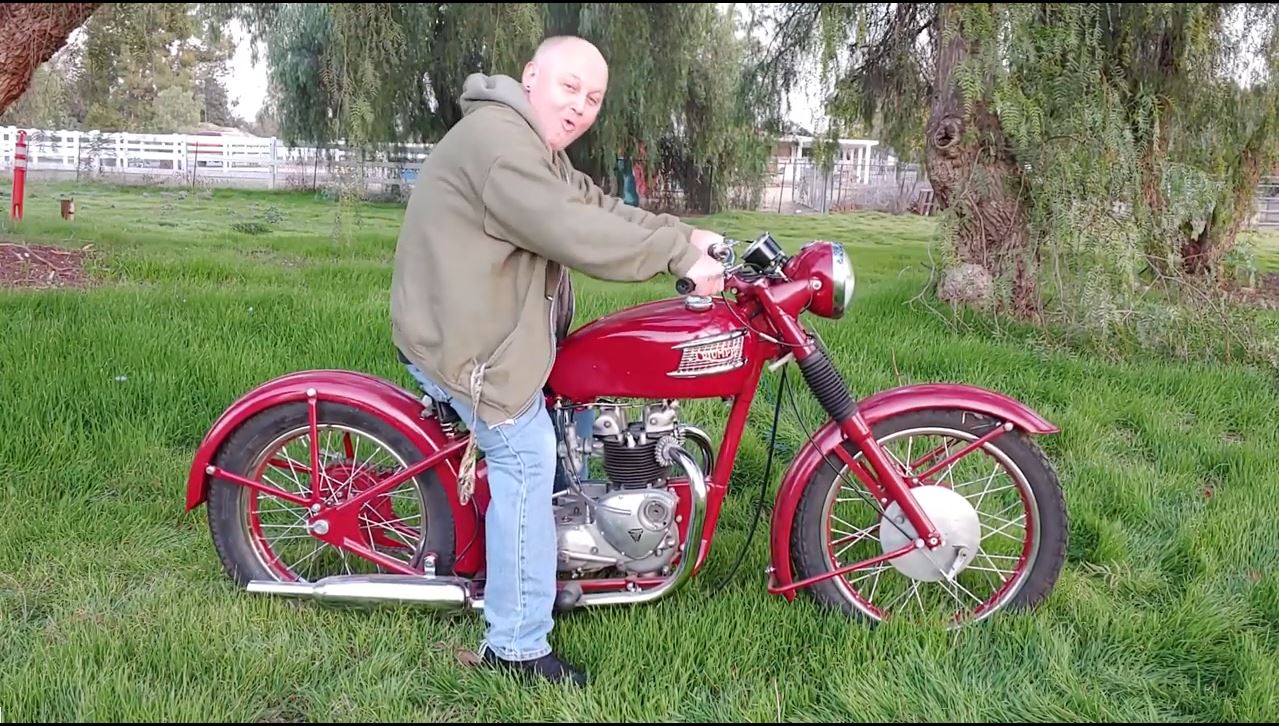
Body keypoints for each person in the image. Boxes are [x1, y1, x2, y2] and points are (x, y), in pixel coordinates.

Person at [388, 34, 726, 687]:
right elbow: (573, 230)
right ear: (531, 77)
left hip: (491, 326)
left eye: (593, 98)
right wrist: (675, 256)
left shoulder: (531, 144)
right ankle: (515, 647)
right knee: (526, 455)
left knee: (581, 410)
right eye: (570, 87)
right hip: (464, 342)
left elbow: (591, 205)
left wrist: (683, 235)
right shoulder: (501, 146)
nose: (580, 107)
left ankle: (553, 556)